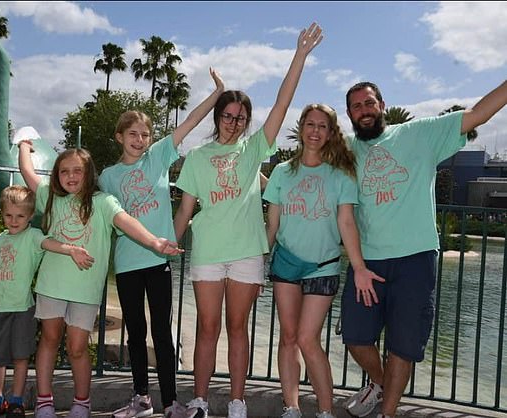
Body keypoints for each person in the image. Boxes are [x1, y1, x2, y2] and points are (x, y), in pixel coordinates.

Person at [173, 22, 323, 418]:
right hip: (207, 250)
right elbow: (186, 210)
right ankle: (201, 400)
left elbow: (282, 104)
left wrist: (299, 57)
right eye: (228, 115)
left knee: (238, 328)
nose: (234, 122)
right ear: (218, 116)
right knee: (208, 328)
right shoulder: (197, 158)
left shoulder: (255, 149)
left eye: (241, 117)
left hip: (245, 253)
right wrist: (168, 246)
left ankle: (237, 401)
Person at [341, 80, 507, 418]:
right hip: (367, 261)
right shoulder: (345, 151)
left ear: (382, 104)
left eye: (369, 103)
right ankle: (379, 382)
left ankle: (388, 413)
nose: (364, 110)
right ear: (349, 114)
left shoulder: (419, 133)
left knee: (403, 345)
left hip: (415, 258)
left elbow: (478, 114)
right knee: (356, 338)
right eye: (356, 106)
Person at [18, 142, 183, 418]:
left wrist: (154, 241)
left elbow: (126, 221)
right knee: (48, 338)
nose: (71, 176)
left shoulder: (103, 202)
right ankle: (44, 401)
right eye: (64, 171)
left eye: (77, 171)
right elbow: (27, 171)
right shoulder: (50, 196)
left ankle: (82, 402)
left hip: (85, 289)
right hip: (52, 284)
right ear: (57, 175)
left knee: (77, 347)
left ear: (89, 174)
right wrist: (24, 145)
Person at [98, 69, 224, 418]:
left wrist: (217, 94)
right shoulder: (108, 177)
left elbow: (191, 122)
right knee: (135, 334)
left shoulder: (158, 157)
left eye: (145, 134)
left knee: (162, 335)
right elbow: (101, 217)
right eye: (133, 134)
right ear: (119, 136)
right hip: (126, 263)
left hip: (158, 263)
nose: (139, 139)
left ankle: (170, 403)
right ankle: (141, 400)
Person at [263, 104, 383, 418]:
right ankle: (291, 407)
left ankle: (325, 411)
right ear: (301, 128)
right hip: (285, 265)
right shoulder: (281, 172)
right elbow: (272, 225)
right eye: (310, 124)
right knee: (288, 338)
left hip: (323, 266)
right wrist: (257, 259)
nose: (315, 131)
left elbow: (347, 223)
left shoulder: (341, 174)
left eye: (322, 126)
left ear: (330, 133)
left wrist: (358, 267)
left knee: (307, 337)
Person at [0, 185, 94, 418]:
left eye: (20, 216)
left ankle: (16, 400)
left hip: (21, 309)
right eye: (9, 215)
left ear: (29, 216)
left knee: (20, 356)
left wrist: (71, 250)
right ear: (2, 214)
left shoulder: (33, 236)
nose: (14, 220)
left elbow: (51, 244)